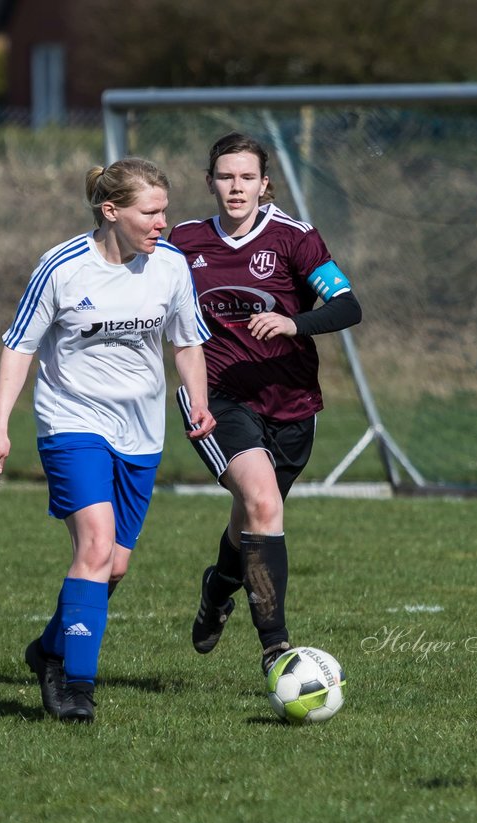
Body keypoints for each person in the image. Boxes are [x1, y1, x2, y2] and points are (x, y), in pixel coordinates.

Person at [0, 157, 216, 723]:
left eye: (166, 210)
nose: (163, 222)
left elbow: (186, 343)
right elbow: (20, 346)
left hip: (141, 430)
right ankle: (75, 687)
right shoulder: (63, 267)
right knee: (94, 546)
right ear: (111, 212)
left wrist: (198, 401)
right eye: (151, 212)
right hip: (71, 422)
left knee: (114, 567)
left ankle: (48, 650)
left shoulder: (171, 268)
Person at [168, 132, 362, 675]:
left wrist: (293, 322)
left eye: (246, 177)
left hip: (293, 402)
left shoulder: (294, 238)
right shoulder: (181, 242)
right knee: (263, 503)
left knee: (252, 517)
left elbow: (348, 306)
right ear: (209, 182)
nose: (236, 186)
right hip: (220, 397)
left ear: (264, 183)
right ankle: (277, 649)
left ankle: (218, 587)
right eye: (225, 176)